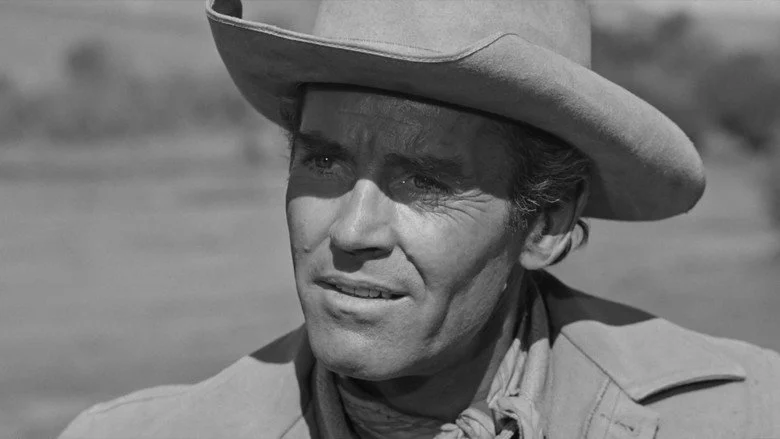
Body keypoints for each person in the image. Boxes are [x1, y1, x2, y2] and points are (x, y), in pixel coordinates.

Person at [59, 0, 780, 437]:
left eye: (426, 182)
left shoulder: (746, 416)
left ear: (546, 225)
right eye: (323, 162)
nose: (351, 231)